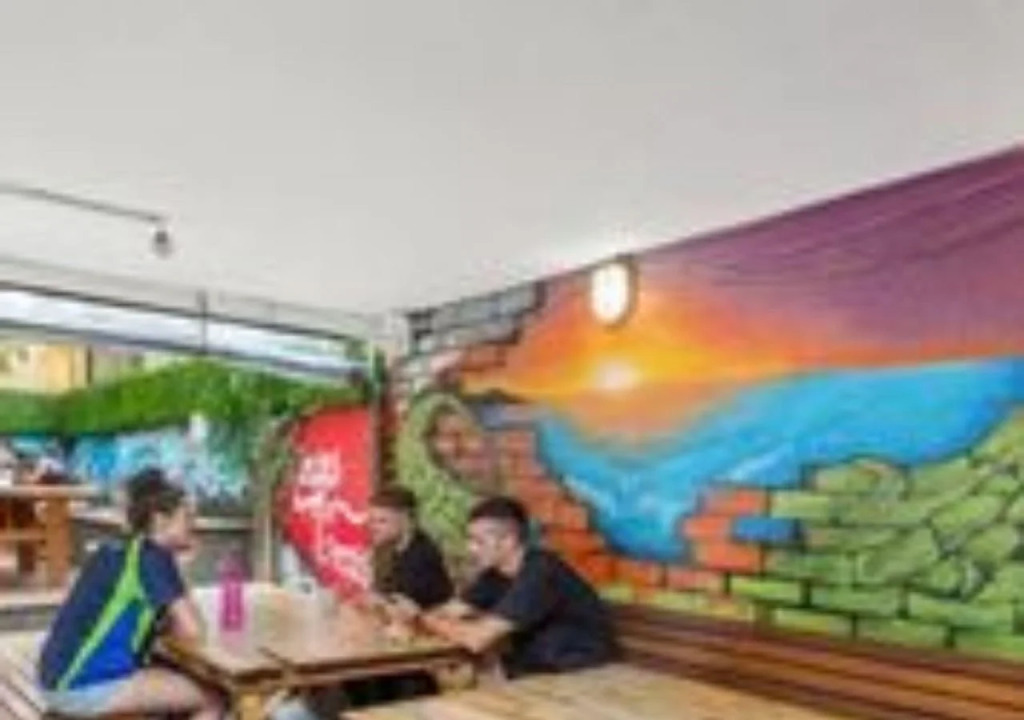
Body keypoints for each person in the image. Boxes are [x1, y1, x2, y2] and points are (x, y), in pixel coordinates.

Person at [37, 467, 222, 720]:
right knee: (212, 699)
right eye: (187, 517)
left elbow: (164, 624)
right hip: (82, 686)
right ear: (160, 520)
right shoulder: (153, 559)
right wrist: (181, 575)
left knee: (172, 680)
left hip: (54, 675)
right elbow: (194, 633)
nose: (194, 525)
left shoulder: (117, 549)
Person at [273, 486, 453, 720]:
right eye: (373, 520)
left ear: (407, 519)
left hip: (412, 662)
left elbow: (401, 612)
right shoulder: (392, 551)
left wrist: (373, 603)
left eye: (382, 521)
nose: (373, 527)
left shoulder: (423, 555)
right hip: (388, 650)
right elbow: (379, 602)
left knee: (330, 676)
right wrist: (366, 601)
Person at [404, 495, 617, 679]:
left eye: (478, 541)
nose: (471, 549)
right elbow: (450, 611)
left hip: (580, 676)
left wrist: (422, 618)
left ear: (508, 540)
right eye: (470, 540)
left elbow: (477, 639)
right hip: (534, 671)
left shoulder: (541, 572)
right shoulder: (494, 574)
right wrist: (415, 617)